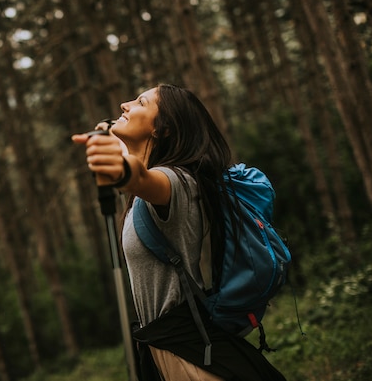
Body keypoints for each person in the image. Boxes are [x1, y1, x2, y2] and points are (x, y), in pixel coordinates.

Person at [72, 84, 286, 381]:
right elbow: (138, 165)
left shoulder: (177, 182)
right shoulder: (147, 191)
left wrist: (120, 170)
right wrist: (114, 139)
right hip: (165, 347)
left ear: (162, 129)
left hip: (187, 353)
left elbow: (141, 176)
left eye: (140, 103)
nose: (124, 104)